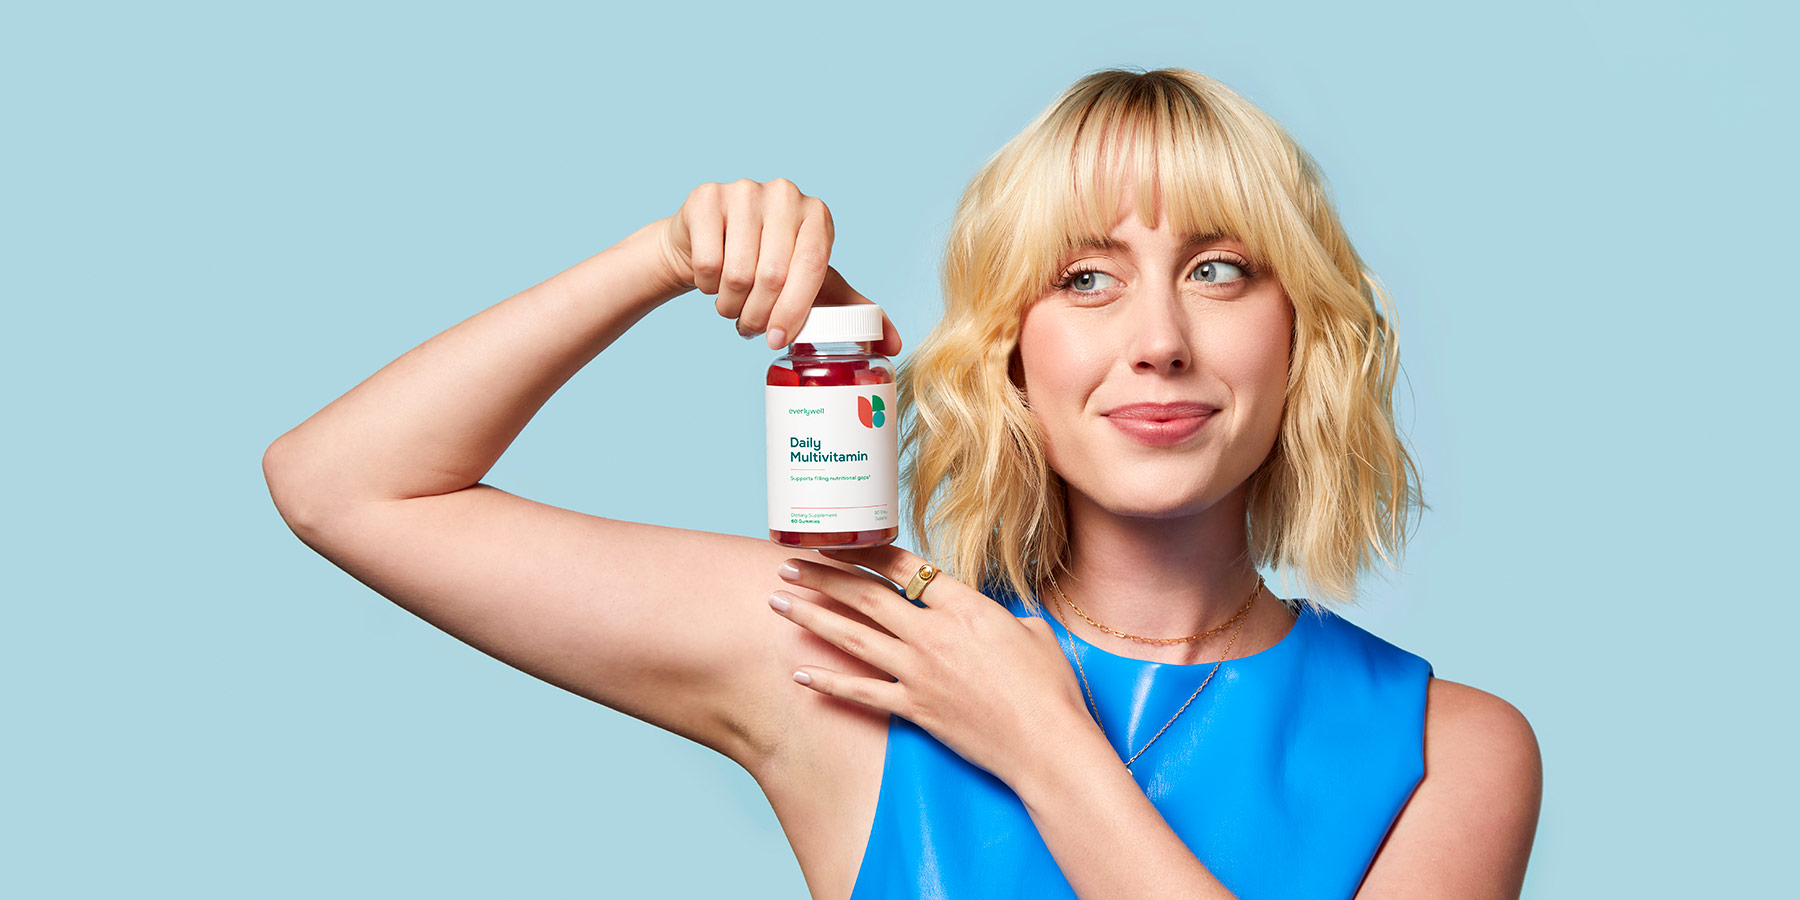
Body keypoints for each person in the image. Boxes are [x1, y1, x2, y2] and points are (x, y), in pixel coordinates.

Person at [263, 67, 1542, 899]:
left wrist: (1043, 744)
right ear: (1013, 355)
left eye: (1219, 270)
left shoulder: (1452, 754)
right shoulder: (857, 658)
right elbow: (343, 485)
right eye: (1085, 279)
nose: (1159, 336)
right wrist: (663, 258)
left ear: (1300, 334)